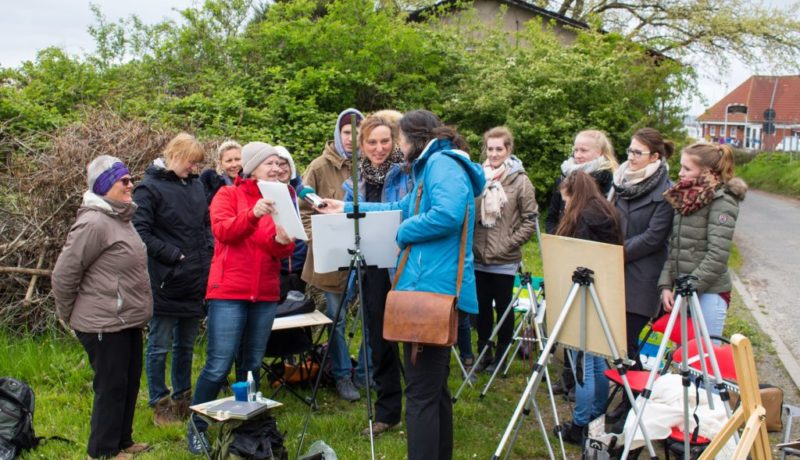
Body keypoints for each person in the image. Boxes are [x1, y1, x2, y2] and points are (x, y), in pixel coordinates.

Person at [319, 109, 485, 460]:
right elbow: (398, 206)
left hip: (430, 291)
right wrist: (347, 208)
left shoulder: (442, 165)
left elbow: (447, 214)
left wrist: (402, 232)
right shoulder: (432, 167)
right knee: (433, 391)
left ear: (414, 137)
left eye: (400, 138)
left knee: (421, 397)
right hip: (428, 288)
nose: (398, 145)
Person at [188, 142, 295, 454]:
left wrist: (281, 239)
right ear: (252, 167)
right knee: (219, 364)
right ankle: (198, 426)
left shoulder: (282, 197)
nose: (276, 168)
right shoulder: (228, 195)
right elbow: (223, 231)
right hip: (229, 292)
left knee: (250, 365)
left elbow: (280, 248)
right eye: (269, 163)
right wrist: (253, 214)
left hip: (264, 293)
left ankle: (247, 424)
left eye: (279, 164)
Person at [52, 156, 153, 460]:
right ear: (105, 185)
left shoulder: (120, 218)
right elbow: (64, 274)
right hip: (102, 323)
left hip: (126, 320)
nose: (130, 184)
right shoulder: (94, 222)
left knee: (129, 380)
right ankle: (103, 450)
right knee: (110, 387)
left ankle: (123, 440)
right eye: (124, 180)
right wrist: (70, 315)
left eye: (130, 179)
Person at [133, 133, 213, 426]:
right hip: (165, 280)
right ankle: (160, 402)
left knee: (186, 346)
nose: (195, 169)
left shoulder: (194, 185)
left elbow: (206, 222)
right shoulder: (148, 188)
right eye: (191, 163)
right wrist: (173, 255)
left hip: (194, 279)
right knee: (159, 345)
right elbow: (140, 232)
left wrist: (208, 248)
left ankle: (183, 397)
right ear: (175, 155)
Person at [342, 114, 412, 436]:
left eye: (385, 141)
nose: (379, 148)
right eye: (372, 142)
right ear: (362, 145)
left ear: (395, 141)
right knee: (380, 340)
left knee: (412, 337)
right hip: (371, 268)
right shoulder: (354, 181)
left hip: (406, 265)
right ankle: (388, 411)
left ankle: (420, 404)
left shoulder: (408, 173)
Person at [300, 108, 368, 402]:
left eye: (357, 133)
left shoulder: (372, 164)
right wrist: (320, 240)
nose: (352, 139)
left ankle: (366, 372)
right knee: (336, 318)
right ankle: (341, 375)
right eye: (346, 133)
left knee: (371, 316)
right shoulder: (318, 166)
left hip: (369, 252)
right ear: (337, 134)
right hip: (331, 258)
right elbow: (302, 209)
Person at [552, 171, 623, 446]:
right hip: (606, 291)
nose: (564, 205)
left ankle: (580, 424)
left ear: (573, 194)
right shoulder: (606, 210)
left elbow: (575, 258)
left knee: (584, 363)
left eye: (565, 199)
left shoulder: (582, 218)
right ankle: (596, 418)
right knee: (596, 359)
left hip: (583, 293)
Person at [546, 129, 618, 398]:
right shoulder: (566, 175)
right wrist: (558, 240)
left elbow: (593, 227)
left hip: (587, 257)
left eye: (584, 150)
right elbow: (554, 214)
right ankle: (568, 378)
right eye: (575, 149)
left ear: (599, 153)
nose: (577, 154)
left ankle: (583, 383)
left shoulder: (606, 180)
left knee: (585, 325)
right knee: (568, 321)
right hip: (565, 248)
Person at [658, 143, 747, 339]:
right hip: (685, 291)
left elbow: (718, 255)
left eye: (687, 168)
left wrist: (688, 287)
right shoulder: (685, 198)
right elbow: (674, 247)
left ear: (706, 171)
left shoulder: (723, 201)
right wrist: (666, 285)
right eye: (681, 167)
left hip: (709, 294)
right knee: (682, 359)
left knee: (704, 360)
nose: (680, 173)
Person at [472, 126, 538, 374]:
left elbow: (530, 219)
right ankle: (483, 353)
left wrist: (508, 243)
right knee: (481, 308)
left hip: (505, 258)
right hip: (478, 255)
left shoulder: (520, 180)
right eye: (490, 148)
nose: (494, 153)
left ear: (508, 150)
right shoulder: (478, 177)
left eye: (499, 149)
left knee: (503, 308)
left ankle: (501, 355)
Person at [611, 128, 674, 363]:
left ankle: (635, 396)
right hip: (614, 272)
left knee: (626, 343)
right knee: (614, 343)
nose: (631, 157)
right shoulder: (620, 183)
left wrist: (616, 253)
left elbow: (654, 237)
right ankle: (631, 394)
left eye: (638, 152)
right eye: (630, 150)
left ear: (655, 157)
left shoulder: (667, 191)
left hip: (642, 277)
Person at [199, 140, 242, 205]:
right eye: (229, 161)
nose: (234, 165)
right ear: (221, 164)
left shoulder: (252, 181)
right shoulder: (211, 182)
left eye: (237, 159)